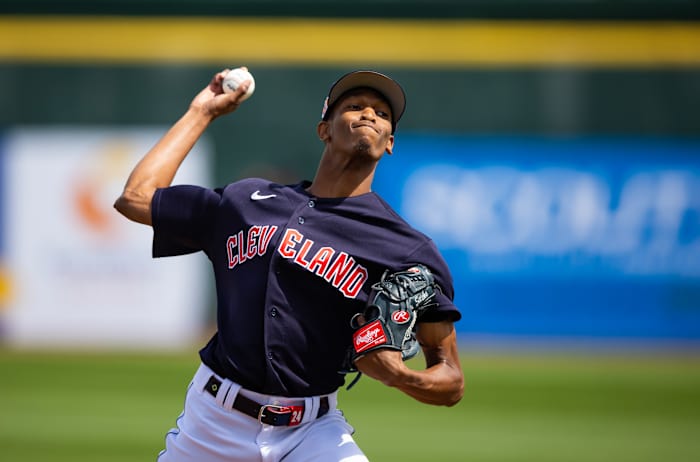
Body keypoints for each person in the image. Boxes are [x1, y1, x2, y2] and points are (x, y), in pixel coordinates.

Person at [114, 67, 464, 462]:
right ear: (325, 130)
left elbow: (451, 379)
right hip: (212, 424)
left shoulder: (407, 248)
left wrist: (401, 376)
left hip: (312, 432)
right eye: (354, 106)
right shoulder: (247, 201)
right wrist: (201, 112)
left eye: (382, 114)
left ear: (390, 143)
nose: (369, 115)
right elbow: (135, 197)